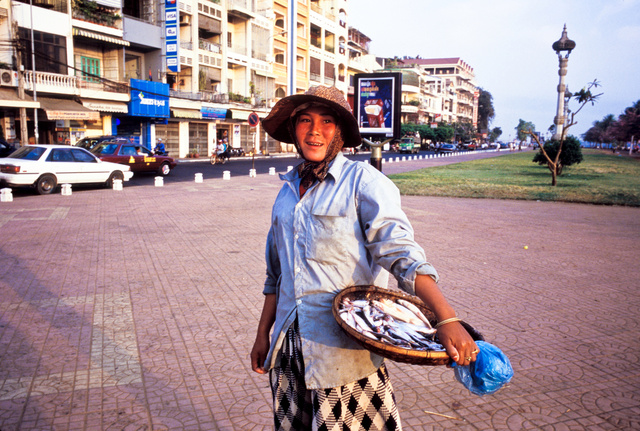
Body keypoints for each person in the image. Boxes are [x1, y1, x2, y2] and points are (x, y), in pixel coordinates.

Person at [250, 86, 478, 430]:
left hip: (341, 350)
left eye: (326, 121)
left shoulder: (364, 182)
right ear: (293, 129)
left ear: (340, 131)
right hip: (288, 347)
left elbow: (400, 254)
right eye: (305, 121)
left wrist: (446, 319)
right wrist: (263, 334)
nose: (314, 131)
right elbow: (276, 274)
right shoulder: (287, 189)